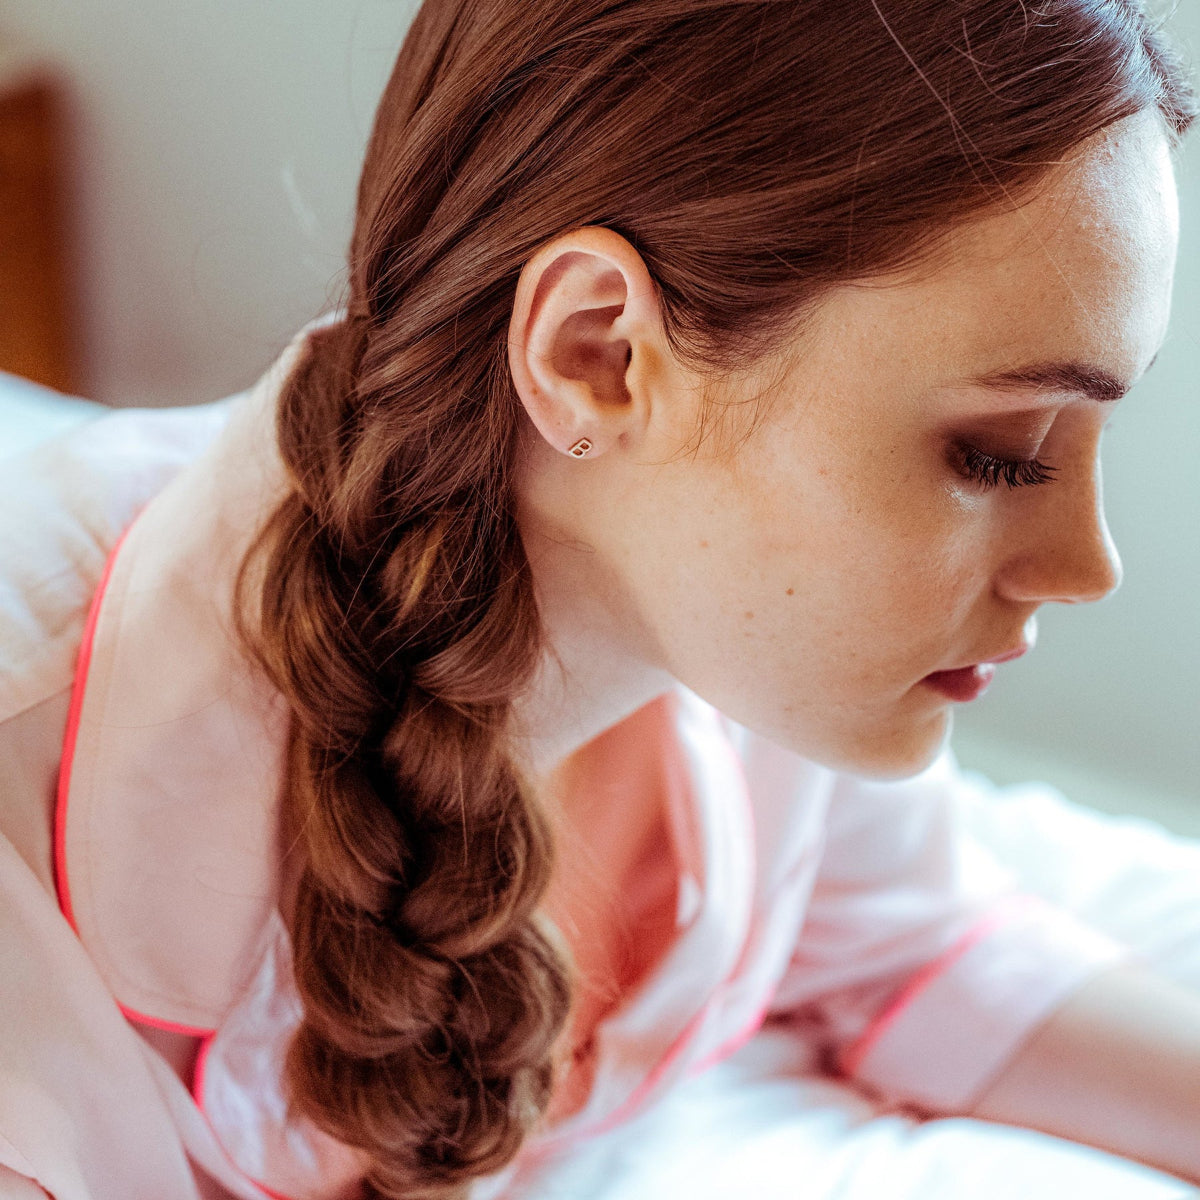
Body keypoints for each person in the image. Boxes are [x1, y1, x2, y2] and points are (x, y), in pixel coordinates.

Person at [2, 1, 1200, 1197]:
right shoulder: (35, 861)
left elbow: (924, 956)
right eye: (995, 451)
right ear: (597, 353)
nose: (1088, 567)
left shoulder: (739, 626)